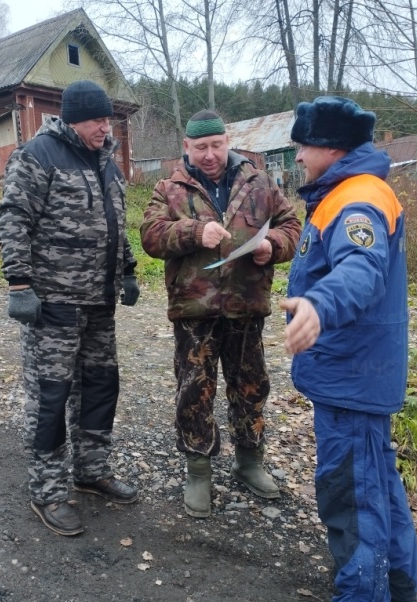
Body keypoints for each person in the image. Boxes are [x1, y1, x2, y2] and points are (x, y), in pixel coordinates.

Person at [279, 96, 417, 601]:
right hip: (358, 377)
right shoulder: (352, 190)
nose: (296, 156)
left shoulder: (357, 198)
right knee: (379, 492)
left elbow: (361, 270)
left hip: (352, 378)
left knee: (352, 500)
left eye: (302, 146)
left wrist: (318, 304)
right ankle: (398, 587)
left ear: (330, 147)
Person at [0, 80, 140, 537]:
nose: (105, 127)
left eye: (108, 119)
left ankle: (90, 470)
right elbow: (12, 216)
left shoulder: (108, 163)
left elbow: (116, 224)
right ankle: (48, 492)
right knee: (51, 397)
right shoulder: (38, 155)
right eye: (98, 120)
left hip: (99, 304)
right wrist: (19, 282)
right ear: (75, 118)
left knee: (99, 389)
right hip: (53, 303)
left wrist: (129, 269)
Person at [140, 109, 302, 518]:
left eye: (216, 145)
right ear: (187, 148)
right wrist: (194, 232)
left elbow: (293, 226)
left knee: (251, 384)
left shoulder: (260, 181)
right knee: (194, 390)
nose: (209, 155)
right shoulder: (169, 188)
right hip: (194, 309)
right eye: (200, 148)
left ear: (226, 142)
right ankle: (198, 470)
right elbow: (150, 236)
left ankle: (249, 461)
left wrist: (274, 246)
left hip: (246, 304)